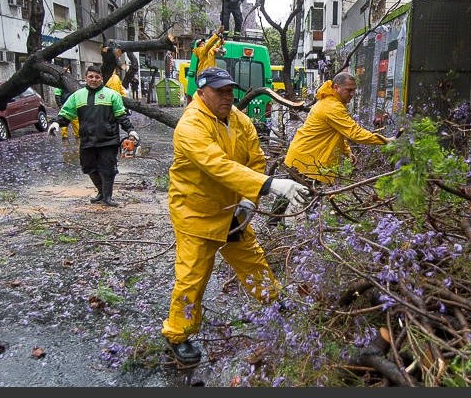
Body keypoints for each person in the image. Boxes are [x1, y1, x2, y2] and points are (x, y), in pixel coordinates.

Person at [161, 67, 309, 365]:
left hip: (232, 210)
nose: (227, 97)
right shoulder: (191, 125)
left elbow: (254, 159)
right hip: (196, 213)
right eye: (220, 91)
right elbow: (217, 165)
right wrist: (269, 185)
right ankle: (178, 335)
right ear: (201, 93)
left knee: (251, 259)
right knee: (192, 276)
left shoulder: (239, 120)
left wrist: (248, 198)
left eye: (229, 91)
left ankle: (274, 301)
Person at [268, 72, 394, 226]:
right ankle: (311, 231)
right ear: (336, 87)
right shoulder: (332, 106)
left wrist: (347, 152)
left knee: (290, 196)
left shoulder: (330, 102)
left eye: (354, 90)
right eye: (348, 90)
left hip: (301, 156)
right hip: (310, 160)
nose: (352, 94)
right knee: (311, 200)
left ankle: (274, 225)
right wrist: (385, 141)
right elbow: (354, 133)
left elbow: (337, 132)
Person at [48, 65, 139, 207]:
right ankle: (101, 192)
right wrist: (56, 123)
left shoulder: (112, 95)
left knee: (108, 169)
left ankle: (107, 197)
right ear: (86, 78)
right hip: (87, 139)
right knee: (88, 167)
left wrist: (130, 130)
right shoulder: (77, 96)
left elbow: (121, 115)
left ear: (101, 78)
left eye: (97, 77)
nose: (94, 79)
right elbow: (66, 113)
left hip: (108, 139)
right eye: (91, 76)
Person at [54, 67, 79, 139]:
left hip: (73, 104)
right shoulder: (60, 84)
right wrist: (60, 105)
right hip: (64, 104)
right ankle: (64, 135)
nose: (68, 73)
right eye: (67, 72)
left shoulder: (72, 82)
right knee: (64, 119)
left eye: (69, 72)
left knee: (75, 120)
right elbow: (57, 95)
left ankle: (78, 134)